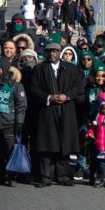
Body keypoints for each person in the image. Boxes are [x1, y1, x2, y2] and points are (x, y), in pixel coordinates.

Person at [28, 41, 85, 187]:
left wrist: (67, 96)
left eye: (55, 51)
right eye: (49, 51)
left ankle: (63, 176)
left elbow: (79, 87)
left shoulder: (71, 69)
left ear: (59, 52)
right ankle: (46, 176)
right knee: (47, 143)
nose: (52, 54)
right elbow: (33, 88)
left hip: (66, 109)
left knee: (64, 144)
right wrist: (48, 97)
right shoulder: (39, 69)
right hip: (47, 109)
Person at [0, 56, 27, 186]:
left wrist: (19, 122)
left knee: (9, 151)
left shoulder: (15, 86)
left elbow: (21, 106)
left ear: (6, 68)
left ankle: (12, 176)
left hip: (9, 124)